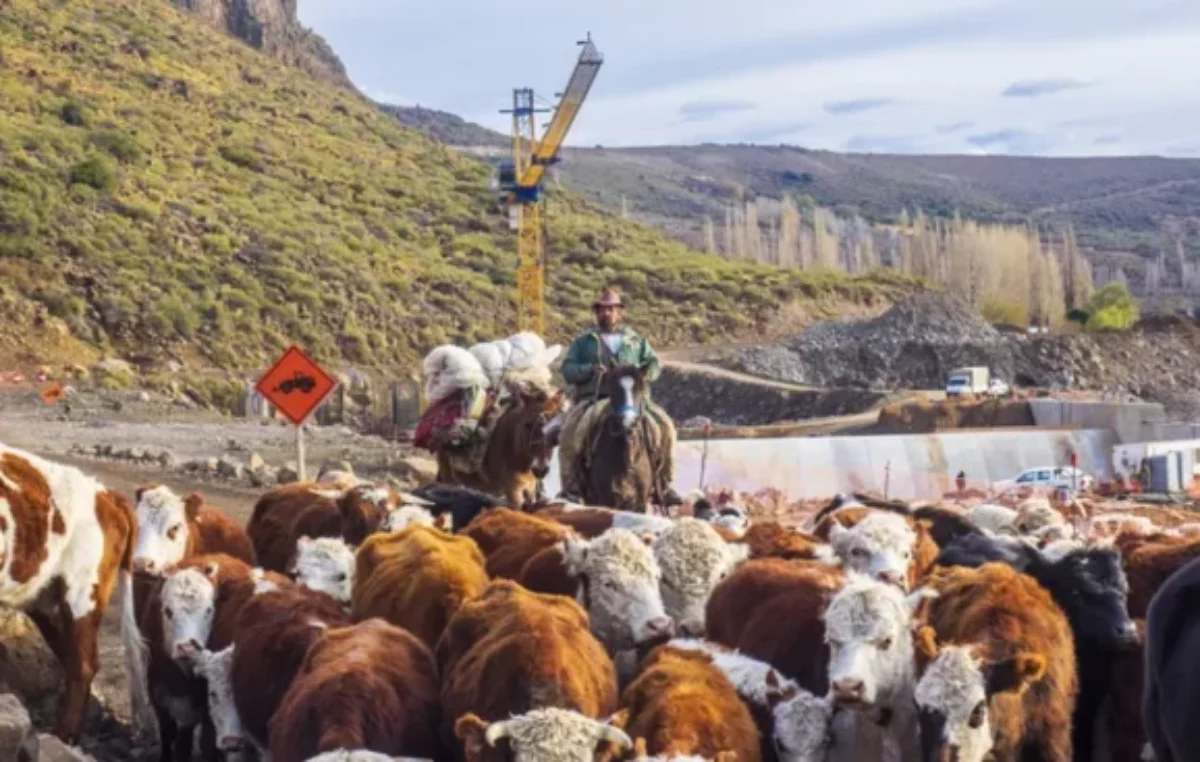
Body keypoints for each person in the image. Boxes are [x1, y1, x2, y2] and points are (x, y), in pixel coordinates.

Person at [555, 287, 683, 507]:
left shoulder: (635, 340)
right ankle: (571, 485)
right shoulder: (584, 341)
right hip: (596, 398)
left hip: (634, 399)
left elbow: (654, 362)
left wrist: (644, 375)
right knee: (570, 432)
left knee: (667, 428)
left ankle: (665, 483)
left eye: (611, 309)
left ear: (619, 312)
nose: (607, 314)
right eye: (603, 310)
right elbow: (567, 370)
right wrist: (588, 370)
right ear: (596, 312)